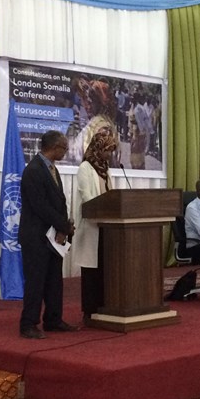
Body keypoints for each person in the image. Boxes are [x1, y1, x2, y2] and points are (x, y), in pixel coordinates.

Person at [19, 131, 78, 339]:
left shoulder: (52, 169)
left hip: (53, 236)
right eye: (64, 148)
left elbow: (58, 202)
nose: (66, 151)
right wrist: (63, 226)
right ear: (54, 147)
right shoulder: (33, 170)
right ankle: (28, 324)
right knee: (36, 281)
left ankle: (53, 320)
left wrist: (64, 227)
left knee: (54, 281)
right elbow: (40, 207)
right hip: (36, 237)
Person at [71, 131, 118, 321]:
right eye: (107, 150)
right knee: (91, 270)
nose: (109, 155)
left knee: (105, 269)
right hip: (91, 226)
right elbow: (87, 197)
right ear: (98, 149)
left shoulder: (106, 169)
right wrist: (101, 214)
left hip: (107, 226)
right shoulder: (85, 168)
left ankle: (104, 306)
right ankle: (89, 310)